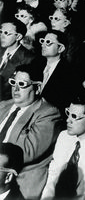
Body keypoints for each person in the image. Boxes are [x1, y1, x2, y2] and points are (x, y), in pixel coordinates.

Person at [0, 64, 62, 199]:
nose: (15, 89)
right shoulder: (4, 106)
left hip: (19, 181)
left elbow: (25, 152)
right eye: (13, 82)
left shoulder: (48, 113)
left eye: (22, 84)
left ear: (37, 88)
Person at [0, 19, 34, 100]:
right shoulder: (1, 50)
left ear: (18, 36)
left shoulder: (29, 59)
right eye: (0, 32)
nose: (1, 36)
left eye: (6, 33)